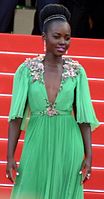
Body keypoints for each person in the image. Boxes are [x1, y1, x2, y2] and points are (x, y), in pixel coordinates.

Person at [6, 4, 99, 199]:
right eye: (56, 36)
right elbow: (16, 117)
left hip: (69, 145)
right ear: (43, 38)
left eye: (67, 38)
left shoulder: (77, 72)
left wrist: (89, 156)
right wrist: (10, 156)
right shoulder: (25, 71)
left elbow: (83, 118)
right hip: (36, 142)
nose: (63, 42)